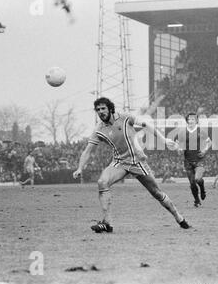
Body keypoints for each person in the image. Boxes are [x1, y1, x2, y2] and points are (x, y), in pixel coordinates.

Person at [73, 97, 190, 233]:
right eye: (98, 109)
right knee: (102, 182)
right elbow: (88, 150)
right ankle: (107, 223)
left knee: (157, 193)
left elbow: (147, 125)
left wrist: (163, 139)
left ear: (110, 108)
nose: (100, 112)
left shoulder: (125, 118)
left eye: (103, 108)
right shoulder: (99, 129)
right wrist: (80, 168)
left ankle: (179, 218)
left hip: (137, 161)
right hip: (119, 162)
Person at [174, 113, 212, 207]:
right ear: (187, 121)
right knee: (192, 183)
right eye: (189, 119)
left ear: (196, 121)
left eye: (193, 119)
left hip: (199, 159)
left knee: (198, 179)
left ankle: (202, 189)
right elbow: (177, 144)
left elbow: (209, 142)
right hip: (187, 160)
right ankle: (197, 200)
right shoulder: (182, 132)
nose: (190, 121)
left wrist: (204, 150)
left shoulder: (201, 131)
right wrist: (178, 149)